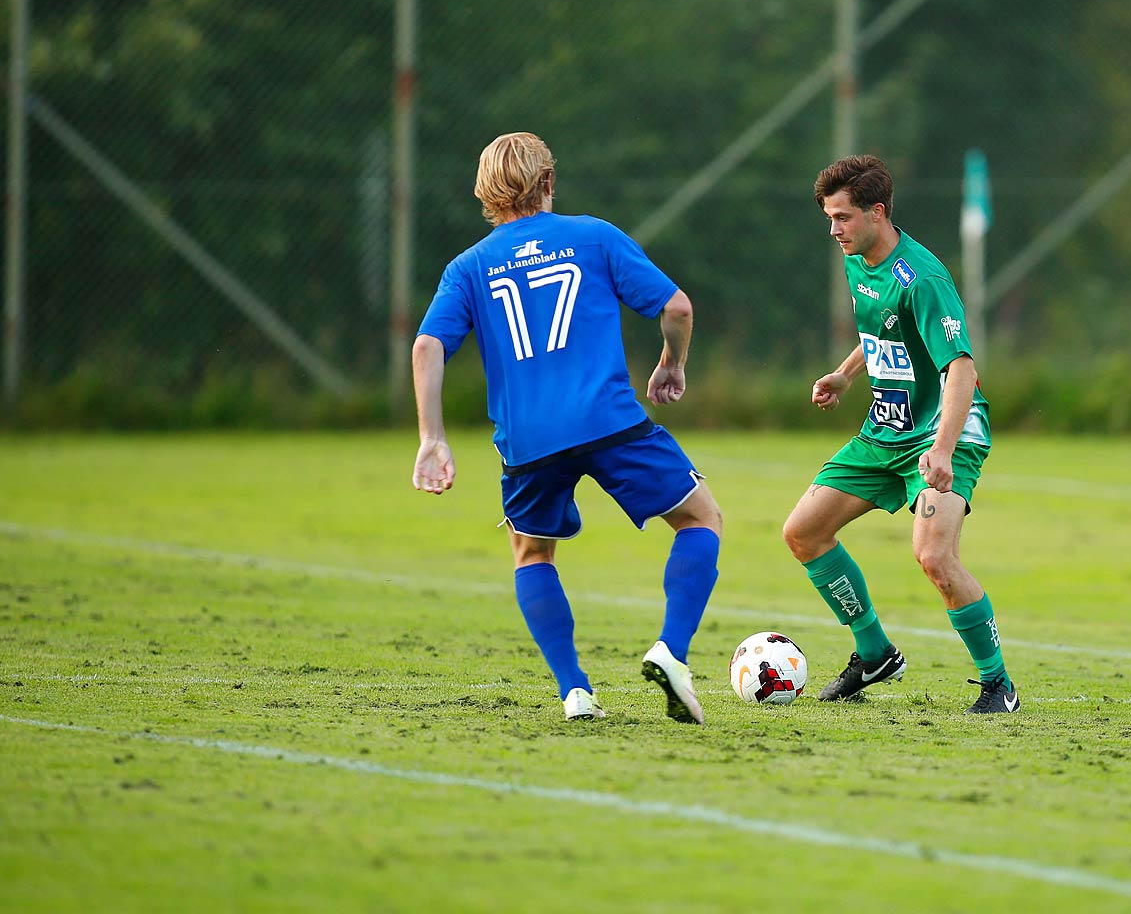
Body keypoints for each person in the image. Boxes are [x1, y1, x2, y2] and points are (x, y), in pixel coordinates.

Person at [410, 131, 722, 725]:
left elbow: (428, 345)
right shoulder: (593, 236)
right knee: (700, 517)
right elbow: (676, 307)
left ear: (485, 193)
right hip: (608, 421)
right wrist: (672, 362)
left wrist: (432, 436)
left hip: (526, 440)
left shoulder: (468, 267)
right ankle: (672, 652)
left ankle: (575, 690)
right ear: (548, 182)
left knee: (532, 555)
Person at [780, 154, 1020, 714]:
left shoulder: (925, 277)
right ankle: (874, 653)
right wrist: (844, 374)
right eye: (829, 219)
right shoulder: (859, 259)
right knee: (803, 532)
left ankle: (997, 685)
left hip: (945, 434)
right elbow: (882, 331)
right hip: (885, 430)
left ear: (877, 212)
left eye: (842, 218)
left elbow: (959, 367)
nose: (834, 230)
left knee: (934, 556)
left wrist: (941, 449)